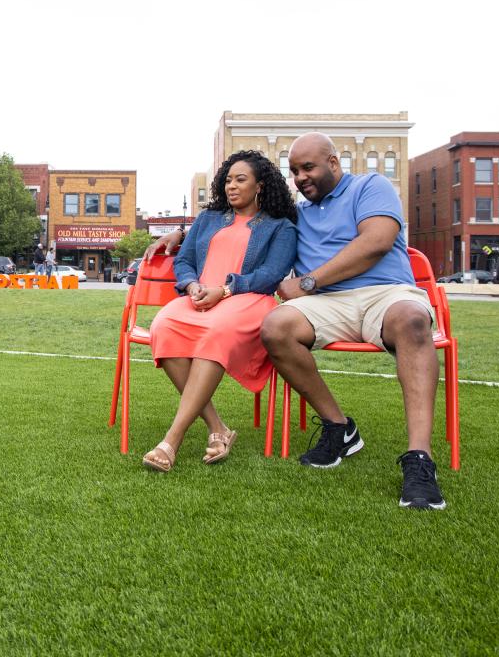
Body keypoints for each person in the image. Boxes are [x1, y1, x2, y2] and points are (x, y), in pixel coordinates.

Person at [261, 132, 445, 510]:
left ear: (333, 163)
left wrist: (308, 281)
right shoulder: (297, 212)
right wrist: (179, 234)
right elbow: (244, 226)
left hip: (385, 293)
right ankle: (339, 427)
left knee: (412, 319)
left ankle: (420, 459)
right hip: (329, 304)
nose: (300, 177)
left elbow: (375, 243)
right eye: (294, 170)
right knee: (275, 327)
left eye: (308, 167)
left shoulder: (370, 186)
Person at [140, 151, 297, 472]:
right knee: (163, 325)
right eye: (228, 180)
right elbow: (184, 261)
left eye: (241, 180)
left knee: (216, 332)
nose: (231, 186)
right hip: (200, 298)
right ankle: (218, 428)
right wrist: (191, 286)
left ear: (260, 186)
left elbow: (272, 274)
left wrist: (224, 290)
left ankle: (172, 440)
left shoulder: (281, 227)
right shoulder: (207, 219)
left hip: (246, 300)